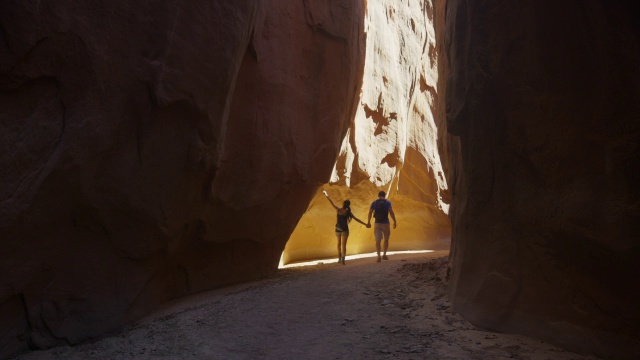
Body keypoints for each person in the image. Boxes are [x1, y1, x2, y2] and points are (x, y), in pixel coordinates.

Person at [323, 190, 369, 265]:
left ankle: (339, 258)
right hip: (345, 230)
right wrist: (365, 224)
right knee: (344, 245)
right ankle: (343, 260)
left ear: (343, 204)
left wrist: (326, 195)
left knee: (338, 244)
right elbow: (356, 219)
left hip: (337, 229)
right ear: (348, 205)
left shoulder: (338, 210)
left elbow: (332, 203)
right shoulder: (348, 213)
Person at [367, 190, 397, 262]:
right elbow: (391, 212)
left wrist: (368, 222)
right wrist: (394, 221)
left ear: (378, 196)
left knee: (378, 240)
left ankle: (378, 256)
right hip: (385, 223)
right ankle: (384, 254)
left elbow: (370, 212)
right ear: (385, 196)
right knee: (386, 239)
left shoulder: (374, 203)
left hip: (377, 223)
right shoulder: (387, 202)